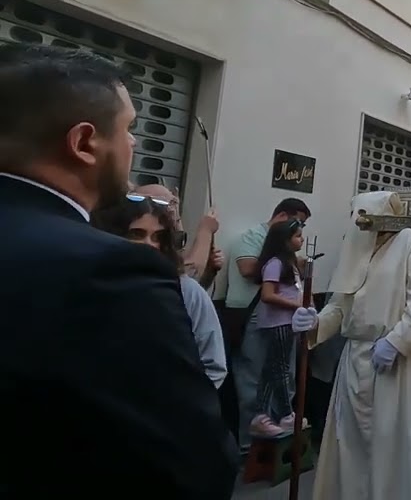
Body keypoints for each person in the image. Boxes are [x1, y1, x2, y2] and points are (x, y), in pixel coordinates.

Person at [0, 43, 236, 498]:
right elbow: (191, 462)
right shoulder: (110, 271)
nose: (134, 144)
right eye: (129, 128)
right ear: (85, 143)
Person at [290, 192, 411, 500]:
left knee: (393, 439)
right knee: (350, 441)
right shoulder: (356, 244)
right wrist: (315, 323)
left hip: (395, 361)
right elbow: (340, 305)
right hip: (354, 360)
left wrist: (396, 342)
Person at [93, 195, 227, 388]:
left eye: (157, 237)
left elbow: (213, 365)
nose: (149, 243)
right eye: (137, 234)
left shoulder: (186, 290)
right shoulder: (97, 281)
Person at [222, 197, 311, 450]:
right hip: (253, 314)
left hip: (285, 319)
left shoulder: (285, 255)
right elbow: (248, 269)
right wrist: (282, 263)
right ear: (282, 216)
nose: (301, 234)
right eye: (297, 225)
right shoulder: (252, 238)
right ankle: (250, 446)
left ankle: (280, 432)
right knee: (254, 377)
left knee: (283, 375)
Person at [249, 219, 308, 437]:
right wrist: (297, 305)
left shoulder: (291, 263)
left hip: (288, 322)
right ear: (284, 240)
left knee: (271, 369)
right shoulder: (275, 263)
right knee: (281, 370)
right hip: (278, 322)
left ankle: (260, 415)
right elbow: (268, 295)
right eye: (297, 236)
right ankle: (286, 414)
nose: (301, 239)